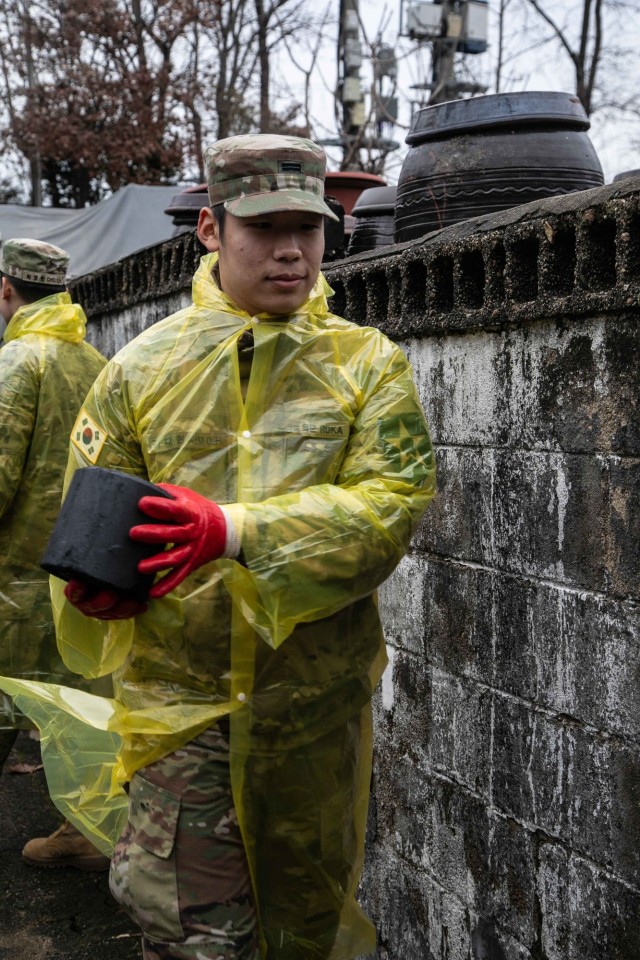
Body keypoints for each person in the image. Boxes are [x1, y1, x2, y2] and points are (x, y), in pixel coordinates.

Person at [41, 134, 436, 959]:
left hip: (312, 716)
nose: (292, 250)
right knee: (190, 935)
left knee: (302, 928)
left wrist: (234, 531)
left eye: (310, 227)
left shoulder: (370, 369)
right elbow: (92, 521)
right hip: (184, 719)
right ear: (211, 231)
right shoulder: (140, 372)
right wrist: (100, 591)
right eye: (264, 227)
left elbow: (390, 508)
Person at [0, 238, 109, 870]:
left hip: (11, 576)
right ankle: (83, 829)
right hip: (74, 568)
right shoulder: (92, 359)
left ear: (6, 290)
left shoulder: (18, 362)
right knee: (67, 705)